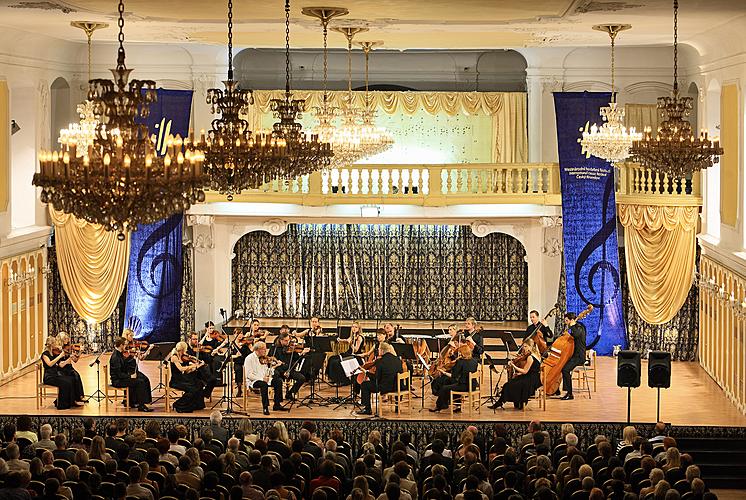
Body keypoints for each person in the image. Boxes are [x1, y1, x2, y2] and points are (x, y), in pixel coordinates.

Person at [491, 337, 543, 409]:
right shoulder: (536, 355)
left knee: (508, 385)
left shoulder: (530, 357)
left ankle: (503, 402)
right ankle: (517, 403)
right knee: (513, 381)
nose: (523, 348)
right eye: (523, 346)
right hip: (534, 377)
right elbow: (532, 370)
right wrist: (519, 374)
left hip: (531, 380)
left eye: (525, 346)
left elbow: (525, 371)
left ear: (530, 347)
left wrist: (513, 365)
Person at [356, 342, 404, 415]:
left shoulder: (380, 361)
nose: (378, 351)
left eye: (378, 349)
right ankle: (397, 407)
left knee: (364, 385)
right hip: (398, 386)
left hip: (386, 387)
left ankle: (367, 409)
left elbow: (376, 379)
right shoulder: (398, 359)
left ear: (381, 350)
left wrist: (366, 372)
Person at [430, 344, 479, 412]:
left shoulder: (460, 362)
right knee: (449, 382)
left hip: (464, 386)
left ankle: (440, 406)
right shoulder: (474, 361)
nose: (459, 354)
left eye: (460, 352)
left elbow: (454, 376)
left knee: (445, 388)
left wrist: (443, 372)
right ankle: (456, 405)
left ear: (462, 353)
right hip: (472, 385)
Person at [244, 341, 288, 415]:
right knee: (263, 384)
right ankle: (265, 407)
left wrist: (274, 367)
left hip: (265, 379)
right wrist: (262, 379)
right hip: (253, 381)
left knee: (278, 381)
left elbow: (266, 371)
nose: (265, 351)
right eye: (264, 349)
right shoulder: (249, 358)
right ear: (258, 349)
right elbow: (249, 375)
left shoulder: (263, 359)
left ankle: (277, 404)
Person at [109, 337, 153, 412]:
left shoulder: (118, 354)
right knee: (139, 382)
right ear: (121, 345)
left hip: (121, 378)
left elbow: (123, 366)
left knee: (141, 379)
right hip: (118, 381)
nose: (126, 347)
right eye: (125, 345)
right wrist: (130, 376)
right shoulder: (115, 357)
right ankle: (141, 406)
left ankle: (133, 402)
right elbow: (119, 374)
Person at [40, 337, 84, 409]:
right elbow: (50, 364)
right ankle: (62, 405)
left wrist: (68, 359)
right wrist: (60, 356)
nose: (57, 345)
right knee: (66, 383)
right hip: (49, 377)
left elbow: (61, 364)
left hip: (55, 375)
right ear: (51, 344)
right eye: (55, 343)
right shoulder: (45, 354)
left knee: (71, 379)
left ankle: (71, 402)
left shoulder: (53, 353)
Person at [271, 329, 311, 400]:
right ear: (281, 340)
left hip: (290, 369)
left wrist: (302, 354)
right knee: (277, 378)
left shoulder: (292, 348)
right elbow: (272, 361)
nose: (288, 342)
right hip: (279, 370)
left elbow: (296, 360)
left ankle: (290, 393)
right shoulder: (274, 348)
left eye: (288, 340)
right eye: (286, 341)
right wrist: (283, 372)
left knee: (302, 378)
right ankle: (278, 399)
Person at [169, 342, 207, 413]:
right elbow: (181, 369)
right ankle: (178, 404)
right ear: (183, 349)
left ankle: (197, 405)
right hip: (176, 381)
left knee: (199, 384)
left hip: (183, 378)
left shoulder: (182, 356)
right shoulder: (174, 357)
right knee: (192, 389)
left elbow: (186, 371)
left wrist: (196, 366)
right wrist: (192, 366)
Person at [560, 311, 587, 400]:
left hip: (579, 356)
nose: (566, 323)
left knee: (565, 370)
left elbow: (576, 334)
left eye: (567, 321)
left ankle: (570, 394)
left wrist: (571, 325)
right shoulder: (575, 328)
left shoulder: (579, 327)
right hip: (573, 355)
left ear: (571, 320)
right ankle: (563, 390)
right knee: (563, 368)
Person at [56, 332, 86, 403]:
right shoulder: (57, 349)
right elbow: (60, 364)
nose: (68, 340)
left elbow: (75, 360)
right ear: (61, 339)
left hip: (69, 368)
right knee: (72, 378)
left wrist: (80, 352)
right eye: (65, 338)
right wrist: (68, 358)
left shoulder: (68, 348)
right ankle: (73, 399)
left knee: (77, 375)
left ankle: (79, 397)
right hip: (61, 370)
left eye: (67, 338)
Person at [187, 332, 219, 398]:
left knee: (214, 380)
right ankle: (200, 396)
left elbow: (208, 360)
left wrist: (212, 354)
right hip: (191, 372)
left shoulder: (199, 349)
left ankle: (205, 394)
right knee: (200, 383)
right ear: (189, 340)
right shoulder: (186, 349)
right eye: (194, 339)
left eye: (197, 339)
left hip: (200, 371)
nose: (196, 341)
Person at [230, 329, 253, 397]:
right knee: (238, 370)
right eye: (238, 333)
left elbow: (250, 354)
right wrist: (236, 355)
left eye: (241, 333)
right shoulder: (232, 344)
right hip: (238, 362)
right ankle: (239, 388)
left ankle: (250, 386)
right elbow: (229, 355)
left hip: (246, 362)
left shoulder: (245, 344)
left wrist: (250, 347)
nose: (240, 335)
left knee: (249, 370)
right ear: (234, 334)